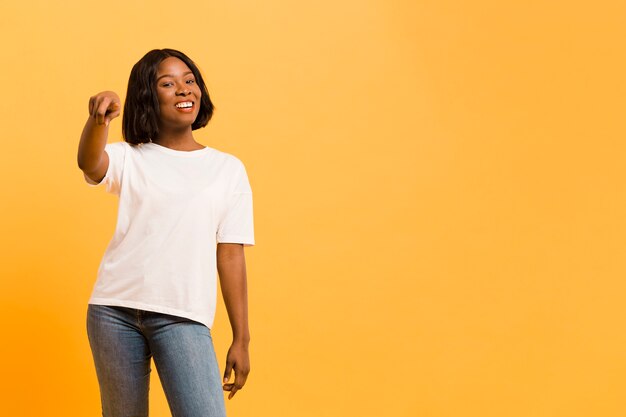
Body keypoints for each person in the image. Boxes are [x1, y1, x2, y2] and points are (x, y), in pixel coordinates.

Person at [77, 48, 254, 417]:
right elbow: (90, 163)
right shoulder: (131, 157)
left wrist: (242, 337)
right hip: (113, 311)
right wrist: (99, 120)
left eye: (189, 81)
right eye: (168, 84)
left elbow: (231, 253)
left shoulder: (227, 170)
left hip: (183, 315)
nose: (183, 90)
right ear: (148, 96)